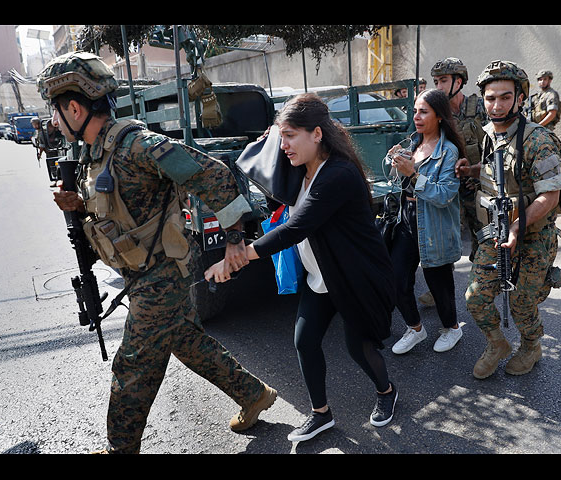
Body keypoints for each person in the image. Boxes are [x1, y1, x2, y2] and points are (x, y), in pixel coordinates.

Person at [36, 51, 277, 454]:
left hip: (160, 276)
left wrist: (236, 238)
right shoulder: (94, 154)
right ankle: (254, 394)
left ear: (75, 108)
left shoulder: (138, 146)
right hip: (141, 271)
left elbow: (213, 174)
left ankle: (120, 448)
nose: (55, 124)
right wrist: (77, 204)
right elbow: (115, 208)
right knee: (187, 341)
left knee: (132, 366)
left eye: (57, 114)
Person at [205, 93, 398, 442]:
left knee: (359, 347)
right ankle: (320, 415)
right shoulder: (300, 171)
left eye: (292, 136)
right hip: (320, 275)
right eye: (282, 137)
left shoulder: (338, 174)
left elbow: (296, 229)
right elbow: (255, 167)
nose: (285, 145)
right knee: (305, 340)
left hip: (354, 277)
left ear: (318, 134)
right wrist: (273, 138)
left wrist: (236, 258)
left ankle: (386, 391)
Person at [458, 60, 561, 379]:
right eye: (491, 98)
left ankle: (531, 345)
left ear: (520, 98)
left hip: (533, 232)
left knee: (520, 301)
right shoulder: (490, 133)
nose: (497, 104)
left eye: (505, 97)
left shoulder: (538, 139)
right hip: (499, 227)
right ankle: (497, 343)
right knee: (475, 297)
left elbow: (551, 195)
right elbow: (499, 170)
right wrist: (470, 169)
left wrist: (519, 225)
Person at [387, 88, 464, 355]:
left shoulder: (449, 152)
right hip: (407, 221)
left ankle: (452, 328)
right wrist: (397, 163)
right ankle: (416, 329)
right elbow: (399, 183)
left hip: (434, 225)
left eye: (424, 111)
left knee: (439, 285)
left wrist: (413, 174)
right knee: (396, 280)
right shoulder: (414, 145)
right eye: (415, 111)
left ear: (439, 116)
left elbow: (444, 196)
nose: (416, 116)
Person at [431, 57, 488, 264]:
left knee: (484, 236)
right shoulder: (438, 115)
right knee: (445, 237)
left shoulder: (482, 107)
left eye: (443, 80)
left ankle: (481, 279)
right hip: (453, 183)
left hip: (481, 183)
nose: (438, 86)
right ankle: (442, 290)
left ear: (458, 81)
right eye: (436, 82)